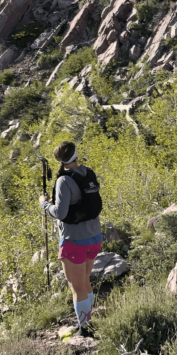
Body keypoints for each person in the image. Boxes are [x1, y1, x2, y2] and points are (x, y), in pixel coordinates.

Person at [39, 141, 103, 336]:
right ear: (76, 155)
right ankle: (88, 321)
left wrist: (44, 205)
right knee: (84, 281)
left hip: (74, 240)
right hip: (94, 237)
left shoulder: (63, 181)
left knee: (77, 286)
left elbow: (60, 212)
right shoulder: (87, 173)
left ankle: (84, 329)